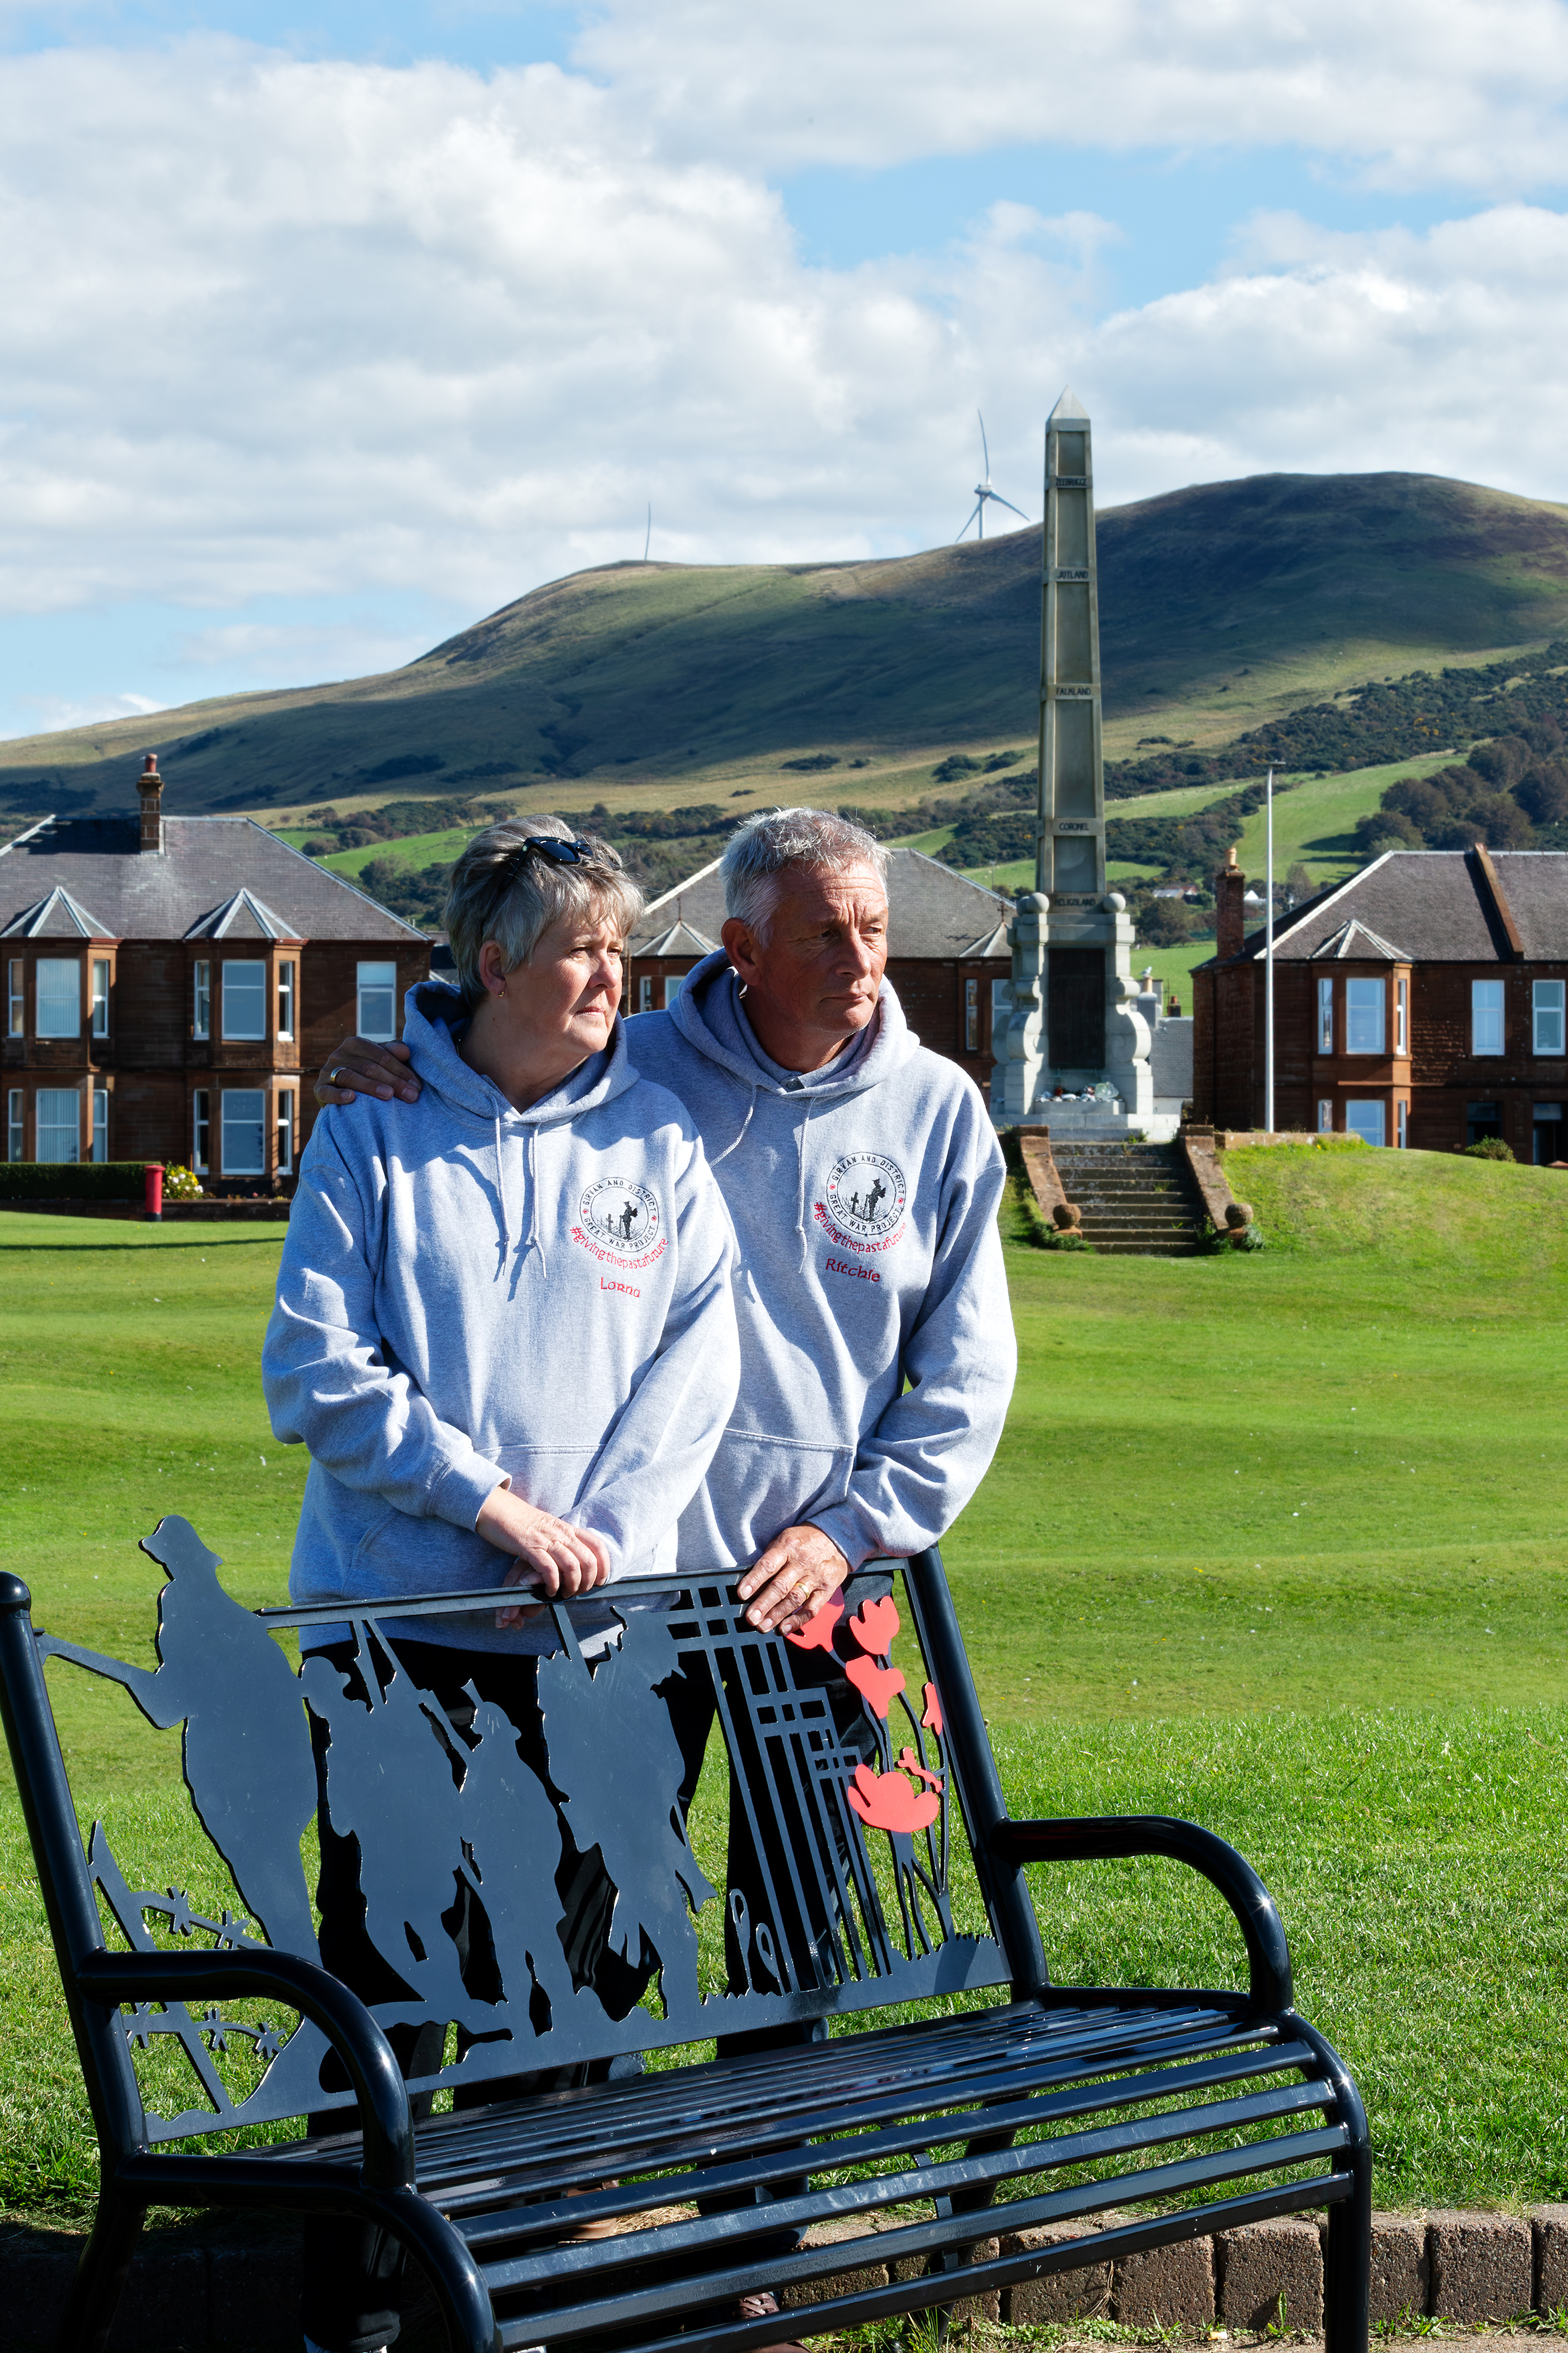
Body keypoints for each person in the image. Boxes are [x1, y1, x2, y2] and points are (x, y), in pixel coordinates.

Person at [314, 806, 1016, 2347]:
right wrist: (380, 1057)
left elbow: (964, 1386)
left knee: (792, 1936)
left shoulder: (940, 1110)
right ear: (743, 947)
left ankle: (743, 2252)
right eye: (828, 932)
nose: (865, 960)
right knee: (595, 1941)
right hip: (625, 1604)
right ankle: (513, 2263)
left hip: (822, 1591)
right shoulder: (644, 1069)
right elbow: (486, 1035)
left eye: (878, 929)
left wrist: (847, 1531)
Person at [265, 817, 741, 2353]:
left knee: (577, 1992)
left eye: (622, 947)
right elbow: (318, 1372)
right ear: (491, 965)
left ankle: (518, 2302)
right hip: (397, 1634)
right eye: (582, 949)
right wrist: (495, 1509)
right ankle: (362, 2310)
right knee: (392, 1976)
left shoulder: (657, 1138)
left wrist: (594, 1531)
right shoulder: (371, 1129)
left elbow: (701, 1352)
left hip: (604, 1641)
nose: (614, 974)